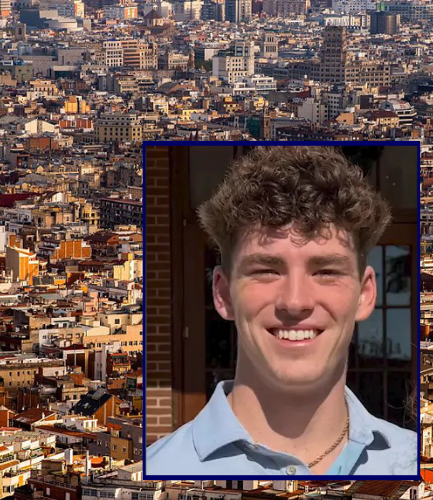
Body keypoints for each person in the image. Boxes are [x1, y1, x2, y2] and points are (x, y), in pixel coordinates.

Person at [145, 145, 418, 476]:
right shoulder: (159, 467)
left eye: (326, 271)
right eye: (267, 271)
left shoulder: (411, 460)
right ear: (223, 294)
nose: (295, 301)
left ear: (364, 293)